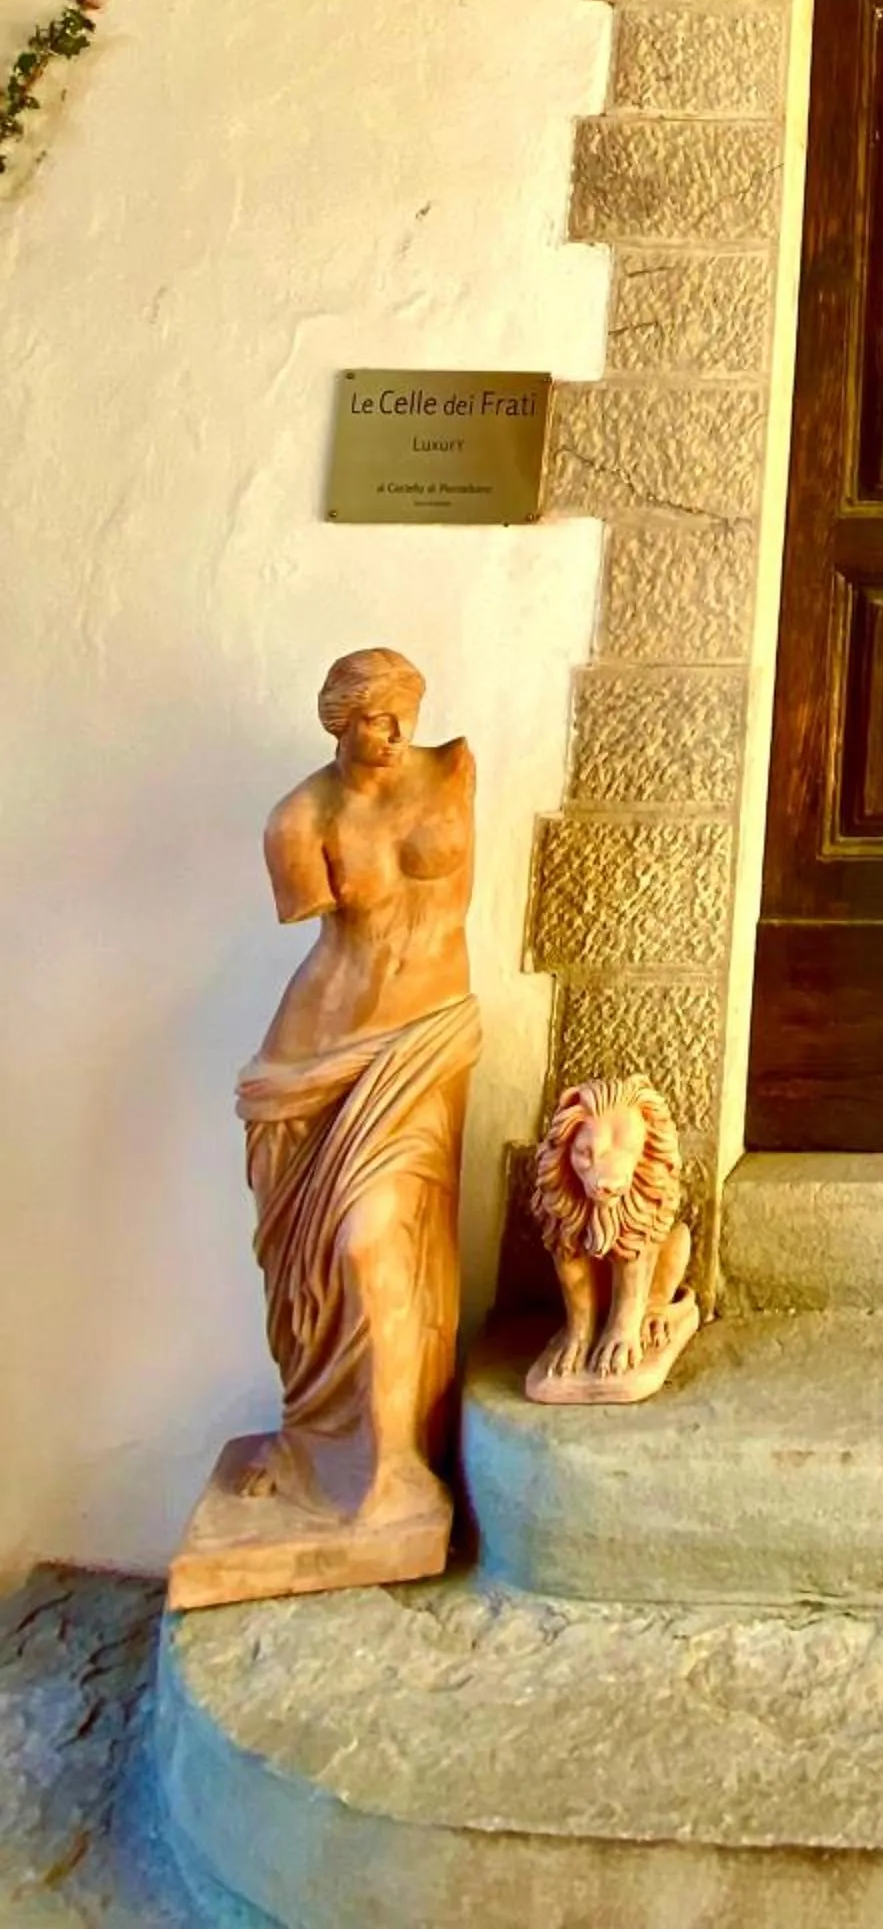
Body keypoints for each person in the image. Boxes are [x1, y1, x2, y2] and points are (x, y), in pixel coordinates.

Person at [235, 647, 480, 1535]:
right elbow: (322, 930)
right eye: (376, 718)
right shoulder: (299, 818)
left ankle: (397, 1457)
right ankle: (331, 1443)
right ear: (338, 722)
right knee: (316, 1266)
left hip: (425, 1043)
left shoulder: (454, 765)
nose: (397, 731)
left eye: (405, 711)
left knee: (377, 1240)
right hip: (316, 1059)